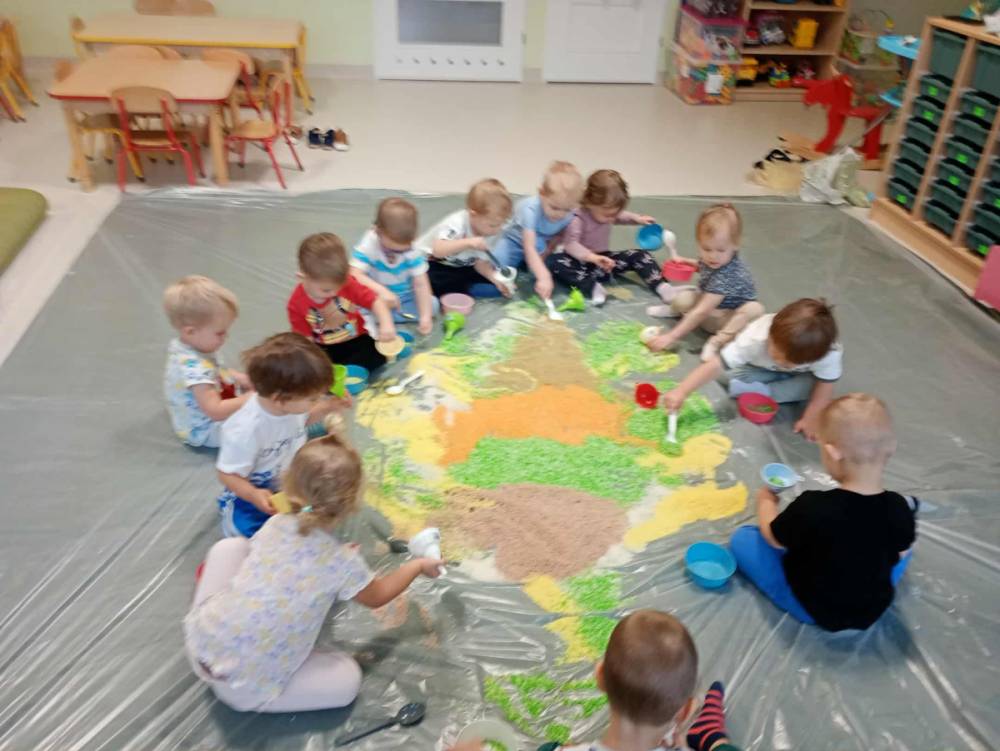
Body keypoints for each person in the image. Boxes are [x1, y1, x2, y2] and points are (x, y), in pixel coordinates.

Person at [185, 434, 444, 712]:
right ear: (351, 504)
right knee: (348, 680)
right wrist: (417, 566)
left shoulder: (276, 523)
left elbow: (298, 557)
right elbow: (378, 596)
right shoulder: (342, 562)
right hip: (245, 690)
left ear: (287, 482)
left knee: (230, 548)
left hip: (200, 646)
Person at [730, 394, 918, 632]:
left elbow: (773, 539)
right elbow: (900, 551)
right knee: (902, 547)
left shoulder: (813, 506)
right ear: (891, 448)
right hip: (873, 608)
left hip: (814, 608)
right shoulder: (898, 507)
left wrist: (765, 501)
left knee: (743, 539)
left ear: (832, 452)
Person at [216, 333, 343, 539]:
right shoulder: (245, 431)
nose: (317, 400)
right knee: (253, 532)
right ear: (279, 399)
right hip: (253, 490)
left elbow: (302, 420)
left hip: (288, 478)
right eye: (313, 398)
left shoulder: (290, 406)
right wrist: (253, 494)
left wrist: (328, 407)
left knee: (314, 513)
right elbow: (227, 475)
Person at [662, 298, 842, 441]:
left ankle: (764, 390)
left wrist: (812, 416)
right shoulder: (755, 338)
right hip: (759, 368)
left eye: (789, 363)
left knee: (814, 389)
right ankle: (764, 388)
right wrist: (681, 391)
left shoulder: (828, 353)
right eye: (776, 354)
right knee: (728, 375)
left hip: (802, 377)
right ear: (770, 335)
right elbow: (716, 364)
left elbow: (825, 384)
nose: (780, 362)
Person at [645, 204, 765, 362]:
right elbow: (702, 266)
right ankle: (675, 310)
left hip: (724, 319)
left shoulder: (729, 274)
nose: (712, 256)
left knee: (754, 309)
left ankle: (716, 342)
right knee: (682, 299)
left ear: (735, 245)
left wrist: (671, 336)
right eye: (706, 249)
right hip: (708, 310)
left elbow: (701, 311)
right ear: (699, 243)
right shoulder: (716, 258)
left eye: (720, 250)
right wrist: (683, 261)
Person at [544, 169, 673, 307]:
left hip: (605, 263)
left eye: (615, 213)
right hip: (578, 264)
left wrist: (637, 219)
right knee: (554, 261)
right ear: (590, 203)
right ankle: (593, 287)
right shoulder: (577, 218)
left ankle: (662, 287)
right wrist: (593, 257)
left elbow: (621, 216)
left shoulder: (606, 212)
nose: (612, 218)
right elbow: (571, 245)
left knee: (640, 255)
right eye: (608, 215)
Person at [163, 275, 252, 448]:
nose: (226, 337)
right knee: (261, 423)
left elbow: (215, 369)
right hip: (205, 429)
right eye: (220, 333)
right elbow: (215, 411)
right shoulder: (194, 367)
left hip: (212, 404)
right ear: (190, 331)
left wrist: (241, 378)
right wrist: (249, 399)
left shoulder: (189, 345)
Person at [287, 232, 396, 372]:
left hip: (357, 339)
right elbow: (305, 339)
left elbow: (375, 301)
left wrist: (386, 324)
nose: (334, 293)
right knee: (319, 371)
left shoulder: (347, 283)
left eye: (338, 287)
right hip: (325, 348)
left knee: (377, 357)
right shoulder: (295, 304)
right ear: (302, 278)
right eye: (326, 290)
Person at [492, 161, 585, 301]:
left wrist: (548, 250)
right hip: (513, 241)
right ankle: (522, 263)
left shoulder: (570, 212)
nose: (560, 214)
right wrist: (544, 276)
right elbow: (529, 247)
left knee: (548, 268)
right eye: (554, 207)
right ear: (542, 194)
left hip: (540, 244)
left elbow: (559, 234)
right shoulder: (530, 210)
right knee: (498, 266)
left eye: (566, 209)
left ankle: (527, 263)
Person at [351, 197, 437, 336]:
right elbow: (354, 274)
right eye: (392, 250)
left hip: (404, 297)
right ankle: (382, 318)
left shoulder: (413, 248)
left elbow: (420, 283)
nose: (398, 254)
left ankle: (384, 318)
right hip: (376, 296)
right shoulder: (370, 241)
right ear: (378, 231)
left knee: (432, 305)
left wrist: (425, 317)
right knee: (351, 303)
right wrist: (382, 291)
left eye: (404, 250)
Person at [418, 178, 515, 299]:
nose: (497, 230)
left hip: (464, 266)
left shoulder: (494, 231)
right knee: (437, 281)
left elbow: (481, 263)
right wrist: (468, 243)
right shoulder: (457, 223)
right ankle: (459, 290)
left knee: (495, 286)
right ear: (473, 215)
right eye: (492, 225)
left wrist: (496, 280)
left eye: (501, 223)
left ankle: (464, 289)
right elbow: (438, 250)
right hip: (434, 262)